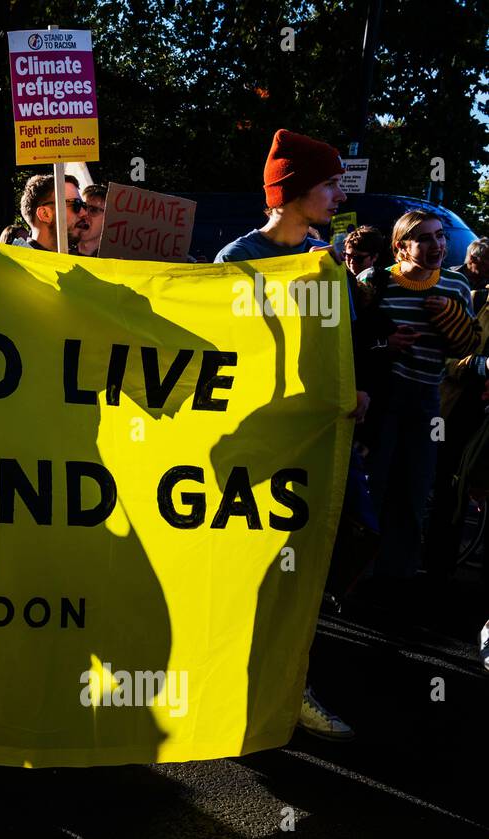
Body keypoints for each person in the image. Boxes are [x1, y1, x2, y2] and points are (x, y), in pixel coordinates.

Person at [213, 128, 361, 742]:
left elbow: (342, 345)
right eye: (327, 184)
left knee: (342, 542)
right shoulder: (237, 258)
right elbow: (218, 347)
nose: (336, 194)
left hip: (310, 436)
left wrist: (354, 389)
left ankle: (286, 676)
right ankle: (239, 686)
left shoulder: (327, 262)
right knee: (248, 567)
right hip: (250, 438)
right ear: (294, 190)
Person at [358, 210, 477, 590]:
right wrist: (384, 344)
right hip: (380, 399)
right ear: (400, 247)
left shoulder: (457, 286)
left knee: (415, 488)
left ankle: (398, 576)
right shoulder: (374, 282)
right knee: (370, 484)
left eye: (440, 236)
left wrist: (457, 325)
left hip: (429, 403)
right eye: (424, 239)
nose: (437, 245)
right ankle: (357, 571)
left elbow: (468, 347)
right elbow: (350, 342)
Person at [78, 183, 106, 256]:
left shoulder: (116, 261)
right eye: (82, 207)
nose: (83, 214)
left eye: (93, 210)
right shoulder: (59, 250)